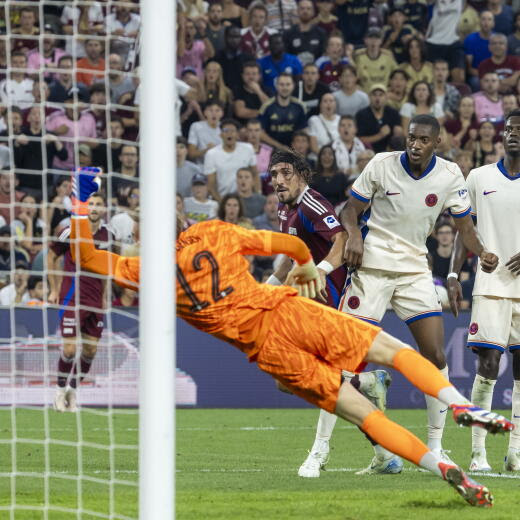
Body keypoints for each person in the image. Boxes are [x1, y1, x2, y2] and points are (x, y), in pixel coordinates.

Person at [70, 166, 514, 508]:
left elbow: (87, 257)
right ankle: (459, 404)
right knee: (393, 351)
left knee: (364, 416)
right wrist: (305, 268)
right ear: (184, 222)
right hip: (287, 311)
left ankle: (446, 470)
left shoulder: (147, 273)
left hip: (267, 351)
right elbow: (293, 247)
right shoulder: (214, 232)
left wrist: (81, 202)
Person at [339, 114, 501, 471]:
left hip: (414, 269)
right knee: (345, 355)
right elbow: (350, 208)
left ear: (437, 142)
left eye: (423, 139)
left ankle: (436, 446)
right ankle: (321, 450)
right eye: (411, 137)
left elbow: (465, 228)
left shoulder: (449, 175)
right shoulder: (381, 164)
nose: (415, 144)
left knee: (435, 356)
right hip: (373, 267)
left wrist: (483, 252)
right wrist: (353, 235)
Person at [448, 108, 520, 473]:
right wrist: (453, 274)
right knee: (488, 365)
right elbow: (464, 227)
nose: (513, 134)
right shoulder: (479, 176)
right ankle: (478, 453)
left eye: (519, 129)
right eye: (508, 129)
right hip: (491, 284)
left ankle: (516, 453)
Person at [48, 192, 115, 412]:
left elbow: (106, 268)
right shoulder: (71, 231)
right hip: (72, 298)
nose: (94, 208)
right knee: (69, 349)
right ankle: (58, 392)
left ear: (103, 209)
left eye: (98, 204)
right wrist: (54, 288)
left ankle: (72, 392)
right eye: (91, 204)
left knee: (90, 351)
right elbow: (51, 255)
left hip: (95, 300)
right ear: (85, 208)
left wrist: (105, 294)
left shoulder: (108, 236)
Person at [203, 118, 257, 201]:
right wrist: (222, 204)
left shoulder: (248, 149)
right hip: (222, 199)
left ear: (237, 134)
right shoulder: (211, 154)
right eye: (226, 130)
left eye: (232, 131)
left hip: (246, 199)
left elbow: (255, 174)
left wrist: (258, 194)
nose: (229, 134)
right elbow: (211, 186)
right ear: (220, 134)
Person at [259, 73, 307, 150]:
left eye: (288, 84)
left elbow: (303, 131)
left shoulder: (300, 107)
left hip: (294, 150)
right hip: (270, 150)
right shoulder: (267, 107)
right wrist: (279, 146)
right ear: (276, 86)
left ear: (293, 86)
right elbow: (261, 133)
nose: (285, 88)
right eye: (282, 84)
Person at [425, 0, 465, 84]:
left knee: (459, 77)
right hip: (433, 42)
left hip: (453, 42)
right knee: (431, 78)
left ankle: (454, 96)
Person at [355, 84, 402, 153]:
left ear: (386, 97)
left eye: (381, 95)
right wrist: (380, 135)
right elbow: (358, 140)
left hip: (390, 152)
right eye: (374, 95)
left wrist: (398, 134)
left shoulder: (393, 113)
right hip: (367, 152)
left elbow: (399, 136)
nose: (377, 98)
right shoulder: (361, 115)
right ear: (369, 97)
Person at [353, 27, 396, 93]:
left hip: (383, 96)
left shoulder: (388, 56)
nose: (374, 41)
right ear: (365, 40)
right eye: (370, 38)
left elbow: (397, 74)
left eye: (377, 38)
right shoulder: (358, 56)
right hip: (364, 95)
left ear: (381, 41)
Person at [283, 0, 325, 66]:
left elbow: (323, 57)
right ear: (297, 11)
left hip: (315, 72)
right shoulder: (288, 34)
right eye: (302, 8)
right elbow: (286, 57)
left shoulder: (321, 33)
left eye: (308, 8)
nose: (305, 11)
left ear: (313, 12)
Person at [464, 10, 495, 91]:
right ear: (479, 22)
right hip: (477, 75)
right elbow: (469, 68)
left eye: (489, 19)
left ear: (493, 23)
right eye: (483, 19)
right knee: (476, 82)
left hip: (495, 74)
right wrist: (485, 77)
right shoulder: (470, 39)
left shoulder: (497, 40)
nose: (486, 22)